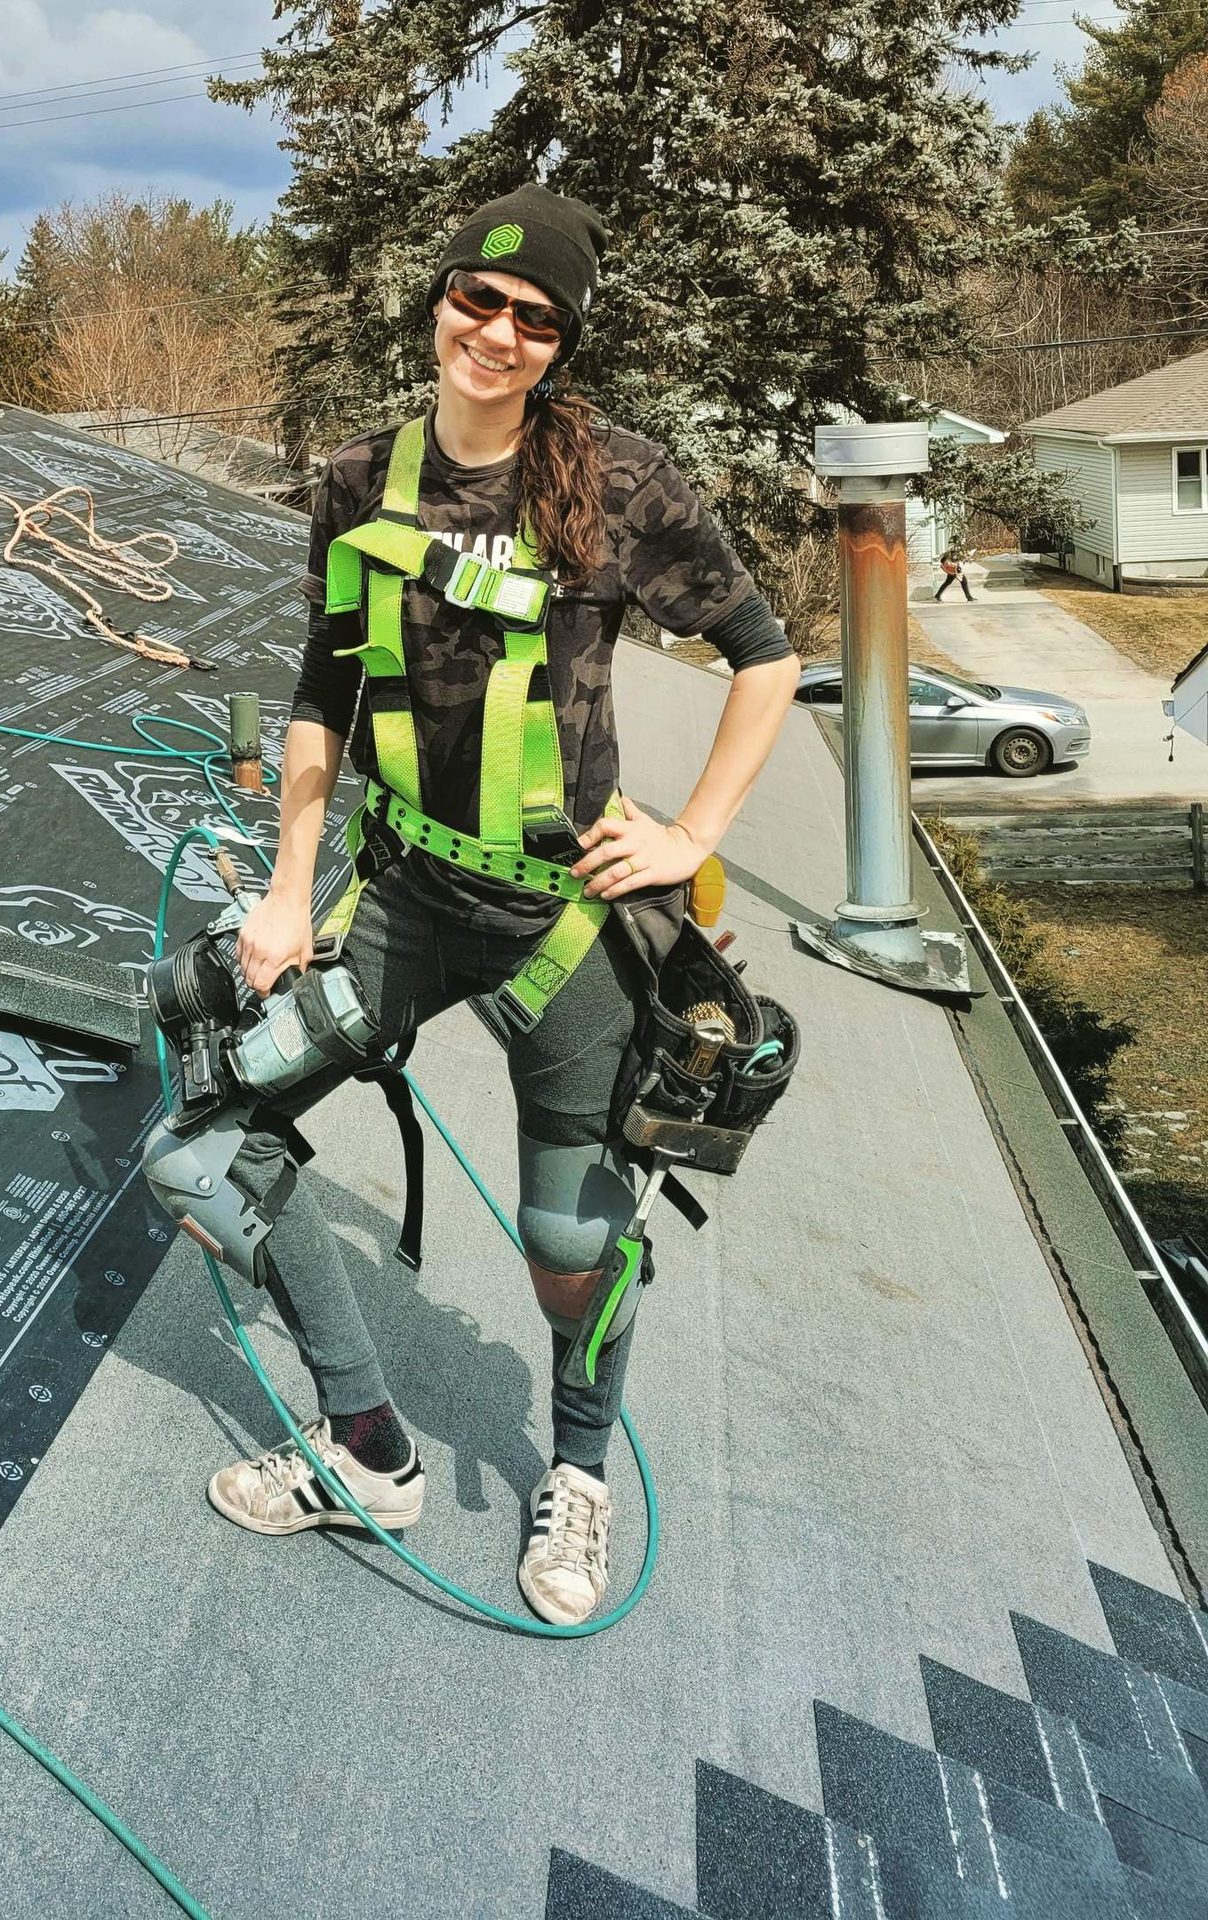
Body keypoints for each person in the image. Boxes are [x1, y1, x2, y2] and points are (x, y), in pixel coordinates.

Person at [205, 184, 801, 1627]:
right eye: (482, 300)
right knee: (209, 1144)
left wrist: (692, 834)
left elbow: (765, 654)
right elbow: (321, 692)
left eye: (537, 321)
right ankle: (367, 1452)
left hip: (563, 924)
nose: (501, 332)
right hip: (405, 890)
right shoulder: (358, 480)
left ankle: (577, 1474)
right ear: (441, 301)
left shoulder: (617, 484)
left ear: (559, 346)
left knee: (571, 1250)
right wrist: (290, 889)